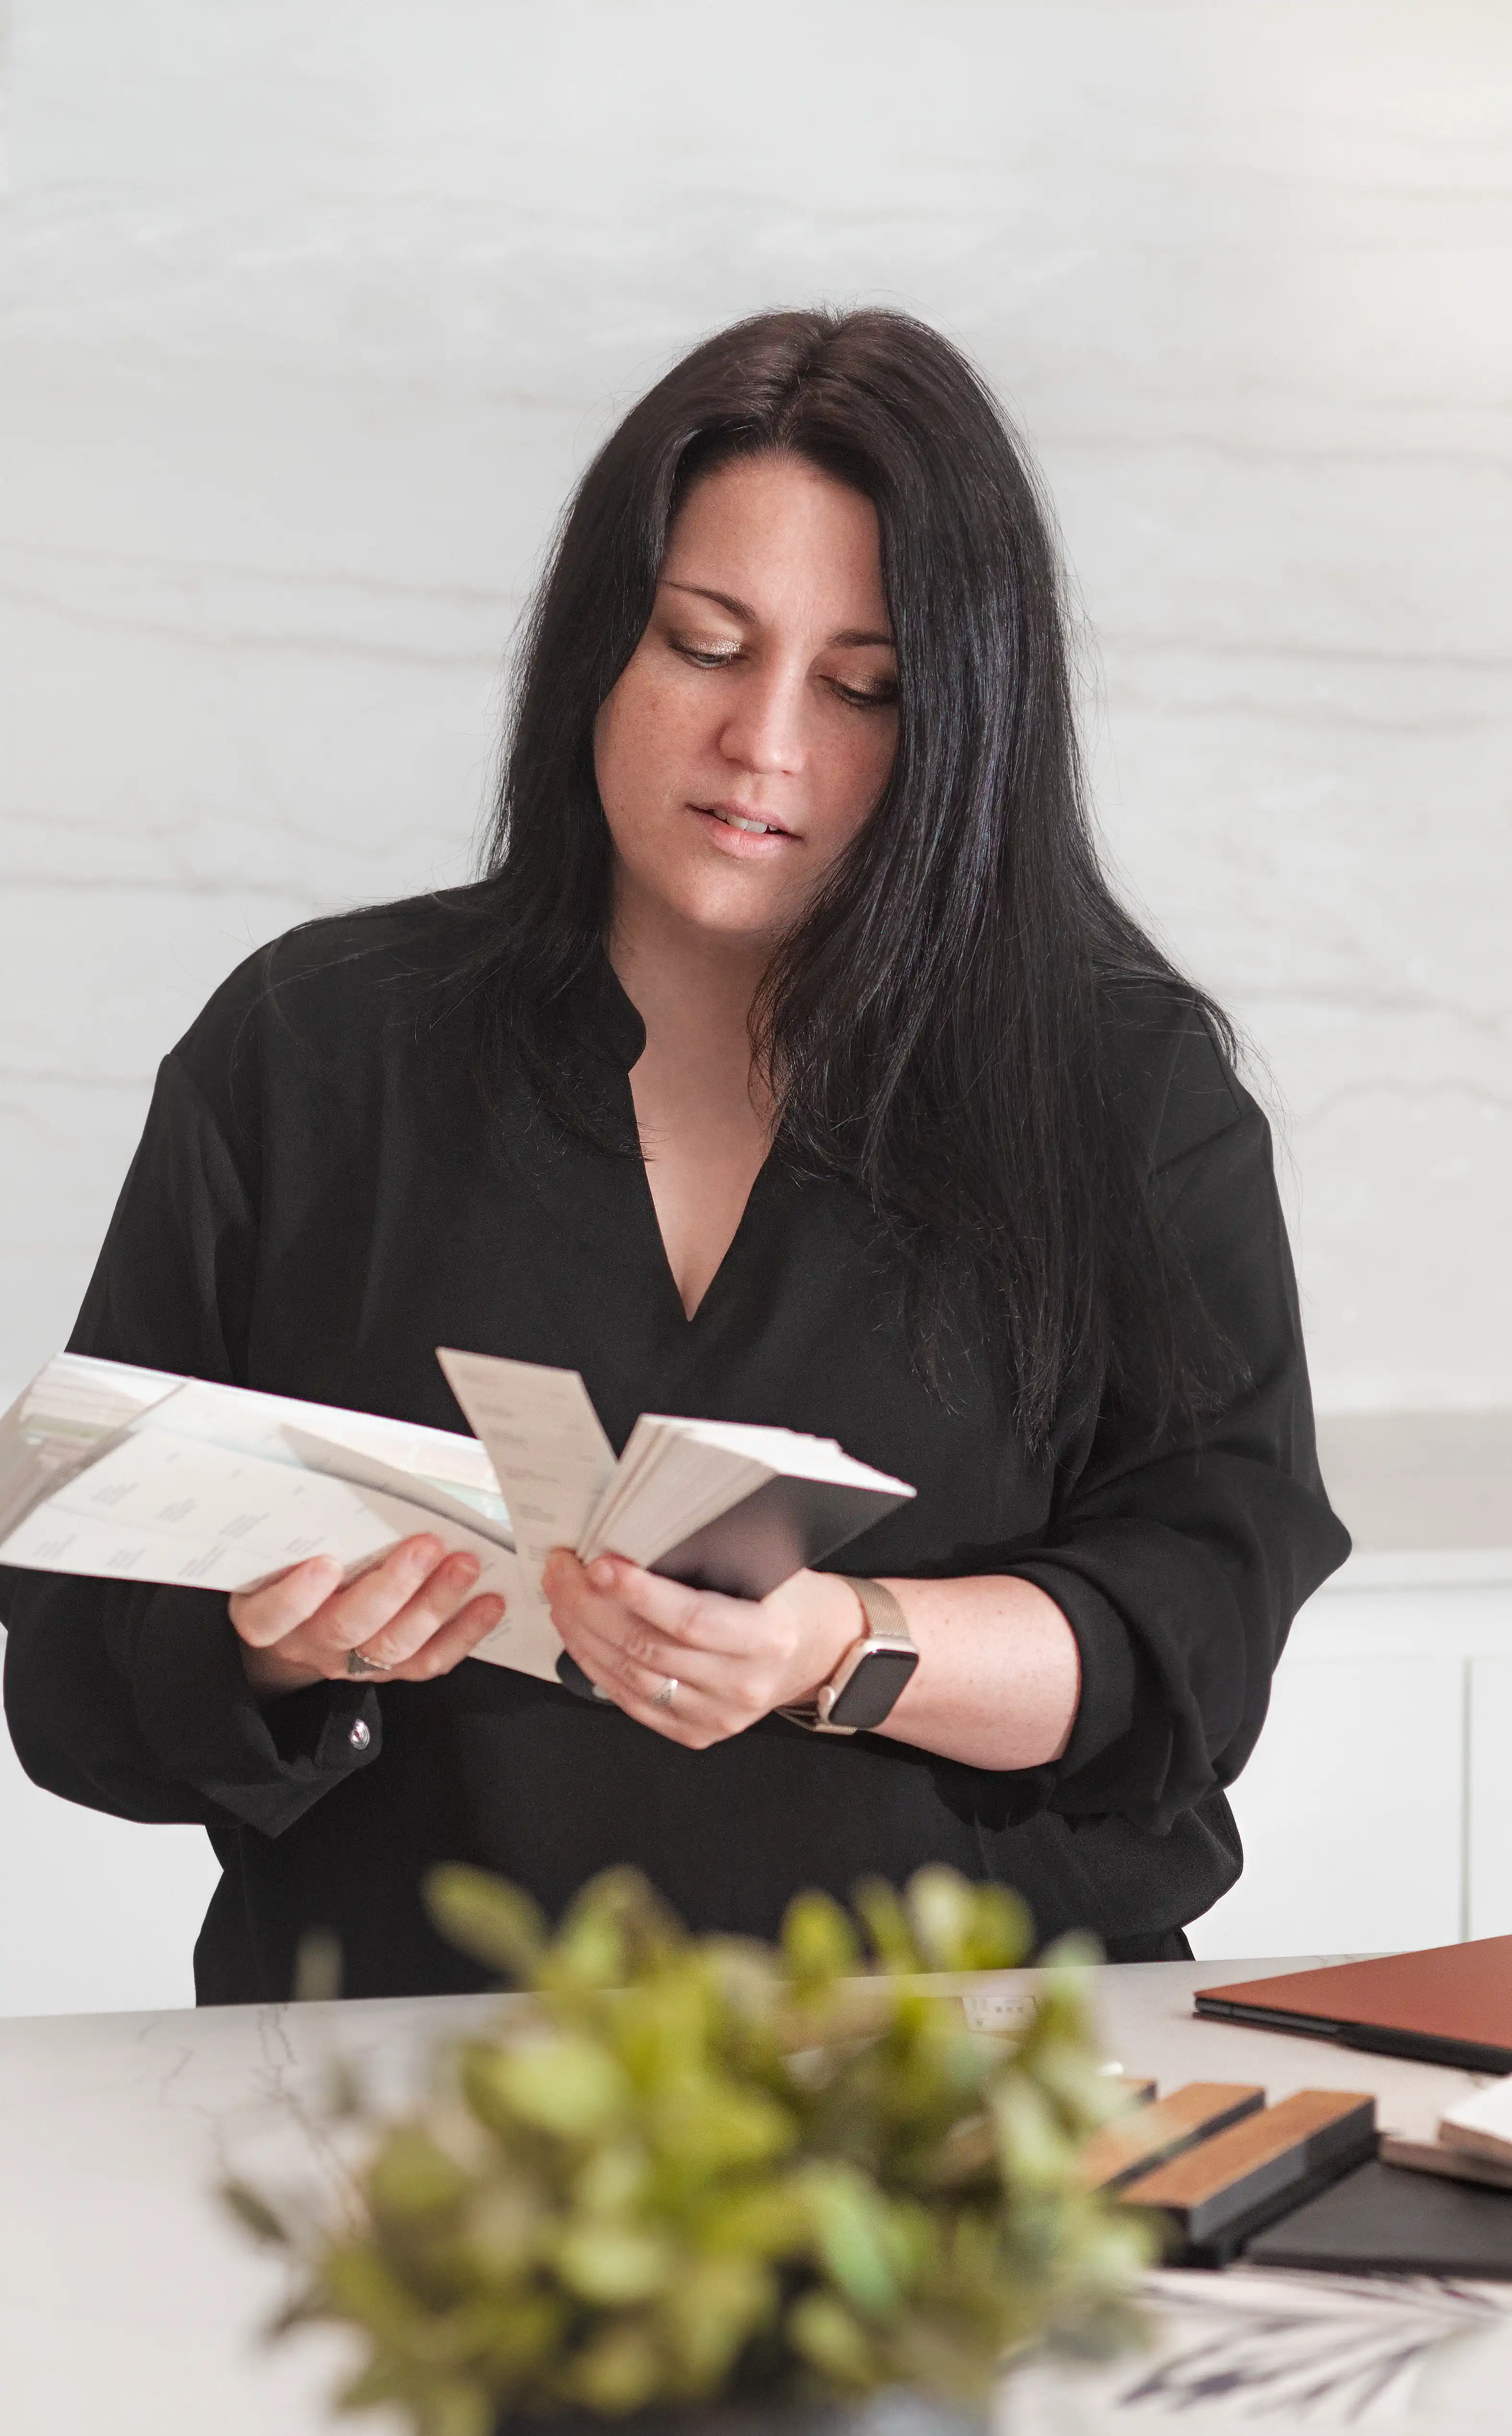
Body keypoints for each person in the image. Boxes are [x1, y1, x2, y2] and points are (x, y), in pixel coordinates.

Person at [0, 309, 1349, 2003]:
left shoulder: (1123, 1092)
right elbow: (66, 1668)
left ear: (964, 733)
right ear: (596, 652)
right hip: (415, 2113)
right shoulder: (316, 1049)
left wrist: (833, 1650)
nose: (765, 746)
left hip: (957, 2097)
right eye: (707, 647)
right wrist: (273, 1646)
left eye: (863, 689)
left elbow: (1200, 1641)